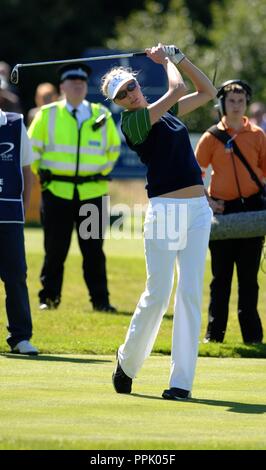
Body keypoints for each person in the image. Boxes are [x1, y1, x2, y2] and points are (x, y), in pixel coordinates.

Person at [101, 43, 217, 400]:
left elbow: (208, 92)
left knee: (189, 294)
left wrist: (180, 58)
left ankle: (181, 383)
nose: (129, 95)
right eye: (121, 95)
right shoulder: (133, 121)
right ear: (117, 103)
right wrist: (167, 60)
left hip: (199, 209)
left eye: (130, 87)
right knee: (158, 293)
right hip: (165, 211)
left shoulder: (165, 114)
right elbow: (178, 88)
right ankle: (127, 362)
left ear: (137, 84)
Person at [28, 63, 121, 313]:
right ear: (62, 87)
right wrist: (43, 176)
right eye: (72, 81)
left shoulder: (101, 114)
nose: (78, 85)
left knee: (93, 251)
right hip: (57, 192)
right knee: (55, 250)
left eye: (82, 82)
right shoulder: (47, 114)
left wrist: (100, 171)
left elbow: (114, 149)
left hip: (92, 194)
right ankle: (49, 298)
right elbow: (31, 150)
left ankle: (100, 302)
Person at [195, 79, 266, 344]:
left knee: (249, 280)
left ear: (246, 103)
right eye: (231, 101)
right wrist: (208, 203)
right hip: (221, 212)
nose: (236, 106)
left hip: (252, 211)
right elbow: (194, 175)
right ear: (222, 104)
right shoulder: (211, 136)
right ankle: (215, 337)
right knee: (220, 279)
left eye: (241, 101)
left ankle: (253, 337)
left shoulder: (258, 135)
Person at [0, 80, 38, 355]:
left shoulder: (14, 123)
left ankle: (20, 336)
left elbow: (26, 170)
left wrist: (22, 209)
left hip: (9, 213)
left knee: (16, 275)